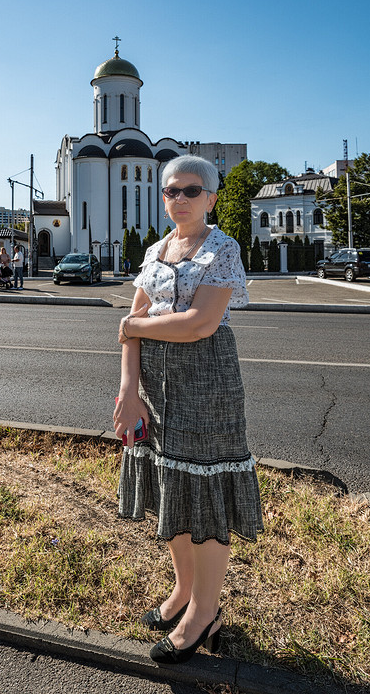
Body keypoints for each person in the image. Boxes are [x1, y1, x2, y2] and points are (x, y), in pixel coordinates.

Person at [113, 155, 263, 666]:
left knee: (203, 493)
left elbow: (199, 323)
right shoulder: (157, 251)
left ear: (211, 198)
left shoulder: (222, 248)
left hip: (206, 384)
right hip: (155, 384)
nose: (180, 198)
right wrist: (128, 390)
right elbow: (129, 326)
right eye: (171, 190)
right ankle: (182, 591)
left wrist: (136, 326)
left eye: (191, 190)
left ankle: (205, 610)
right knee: (170, 487)